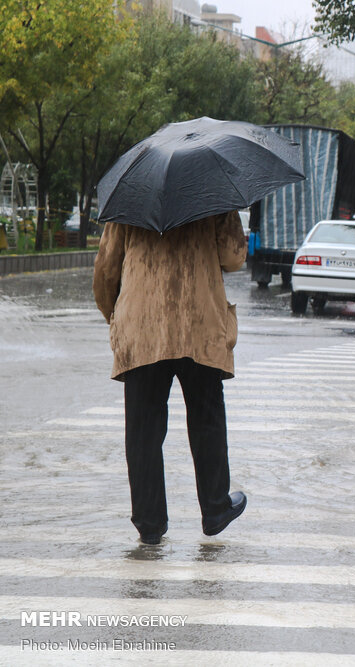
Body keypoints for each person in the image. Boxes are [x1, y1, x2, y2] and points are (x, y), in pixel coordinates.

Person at [93, 211, 248, 544]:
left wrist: (116, 315)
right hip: (199, 321)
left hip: (143, 325)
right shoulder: (212, 196)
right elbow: (234, 258)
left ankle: (149, 523)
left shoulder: (132, 198)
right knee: (207, 418)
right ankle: (216, 508)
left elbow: (106, 268)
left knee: (143, 429)